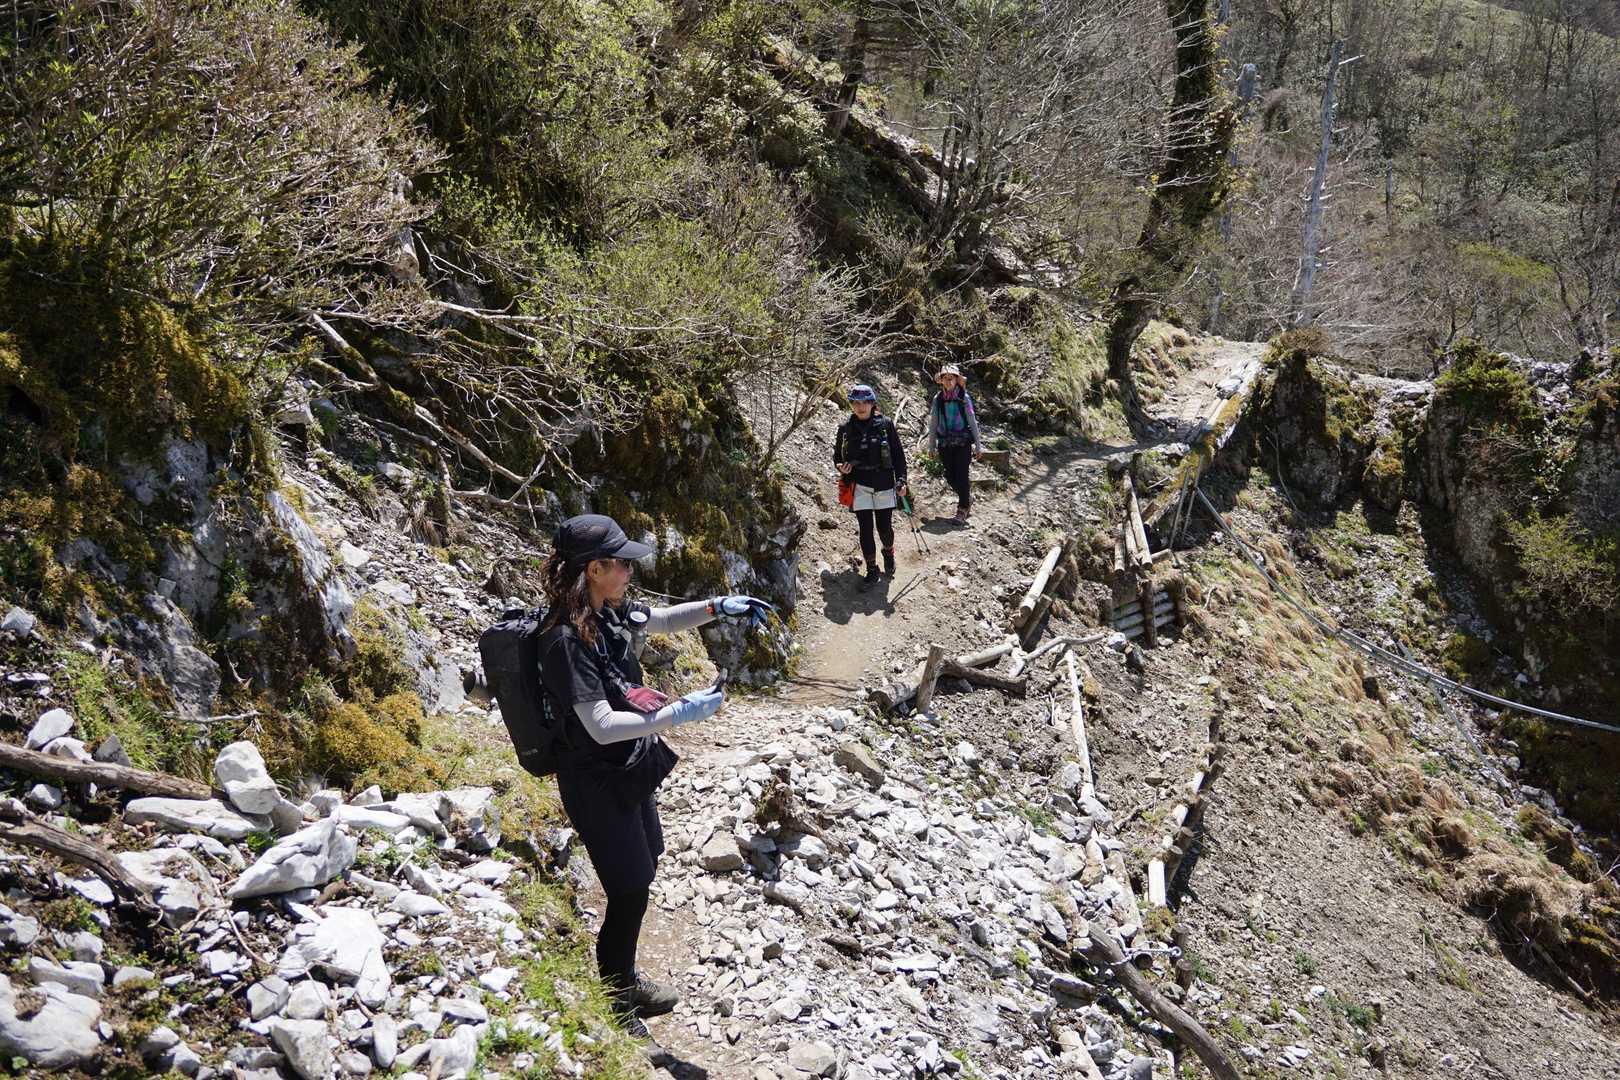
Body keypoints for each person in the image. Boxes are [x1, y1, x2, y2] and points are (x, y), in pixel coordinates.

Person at [535, 513, 772, 1043]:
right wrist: (678, 714)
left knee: (646, 862)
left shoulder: (605, 611)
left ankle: (624, 975)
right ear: (594, 569)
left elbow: (659, 620)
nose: (629, 570)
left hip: (625, 766)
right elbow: (600, 725)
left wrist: (717, 607)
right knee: (628, 889)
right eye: (620, 563)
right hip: (593, 778)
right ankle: (617, 997)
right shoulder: (565, 640)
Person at [833, 383, 908, 588]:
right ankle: (872, 569)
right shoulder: (845, 428)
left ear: (872, 403)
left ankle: (888, 551)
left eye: (865, 402)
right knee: (865, 529)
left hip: (884, 483)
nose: (860, 407)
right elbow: (837, 457)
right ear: (851, 404)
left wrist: (901, 480)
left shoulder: (885, 425)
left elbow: (898, 456)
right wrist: (841, 467)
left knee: (884, 528)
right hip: (859, 485)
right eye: (856, 403)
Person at [925, 364, 982, 525]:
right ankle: (967, 498)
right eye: (945, 378)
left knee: (962, 475)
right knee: (949, 476)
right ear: (941, 380)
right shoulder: (938, 399)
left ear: (957, 380)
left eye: (951, 378)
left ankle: (962, 509)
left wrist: (978, 445)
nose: (948, 381)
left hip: (963, 442)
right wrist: (931, 446)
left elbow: (972, 421)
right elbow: (933, 423)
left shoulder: (964, 397)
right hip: (944, 442)